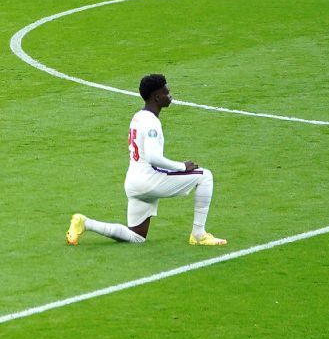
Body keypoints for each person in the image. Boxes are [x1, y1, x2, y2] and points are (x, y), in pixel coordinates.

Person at [66, 74, 226, 247]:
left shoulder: (138, 117)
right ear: (157, 97)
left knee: (136, 236)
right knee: (205, 176)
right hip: (148, 180)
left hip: (133, 183)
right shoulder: (151, 123)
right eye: (167, 92)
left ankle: (85, 223)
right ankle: (199, 234)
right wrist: (182, 167)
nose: (170, 95)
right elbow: (153, 157)